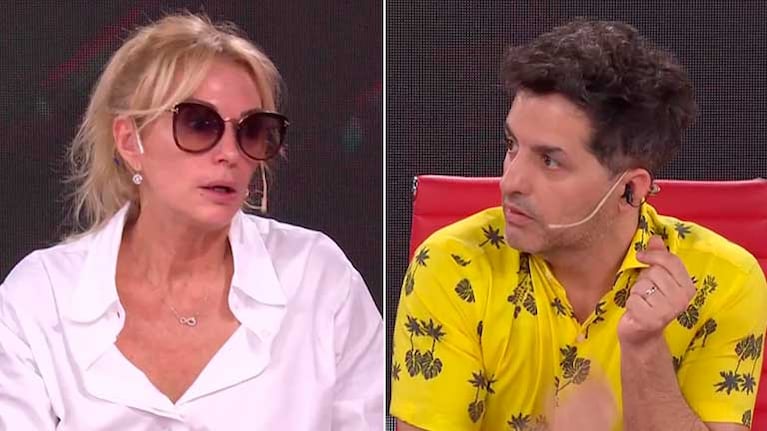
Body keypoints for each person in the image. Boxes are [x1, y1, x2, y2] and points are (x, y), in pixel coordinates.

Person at [0, 13, 383, 430]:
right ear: (130, 141)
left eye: (252, 130)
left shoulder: (319, 279)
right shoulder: (40, 298)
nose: (230, 154)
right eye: (199, 124)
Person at [390, 19, 766, 431]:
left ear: (630, 189)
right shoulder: (451, 265)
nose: (510, 182)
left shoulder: (726, 281)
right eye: (511, 145)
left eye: (549, 160)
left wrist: (644, 351)